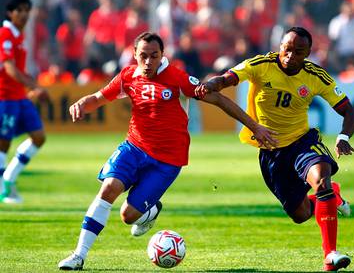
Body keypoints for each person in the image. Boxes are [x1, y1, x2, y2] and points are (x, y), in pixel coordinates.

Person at [58, 32, 276, 270]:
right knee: (108, 188)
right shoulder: (128, 76)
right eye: (143, 56)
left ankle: (149, 212)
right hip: (133, 147)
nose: (149, 62)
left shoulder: (178, 79)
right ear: (134, 55)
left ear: (162, 55)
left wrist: (255, 126)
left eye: (154, 56)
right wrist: (81, 103)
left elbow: (219, 100)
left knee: (128, 215)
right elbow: (98, 98)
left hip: (167, 160)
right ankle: (78, 255)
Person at [196, 27, 354, 271]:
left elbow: (348, 110)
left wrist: (343, 136)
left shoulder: (316, 76)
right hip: (271, 152)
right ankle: (331, 195)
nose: (290, 56)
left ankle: (330, 254)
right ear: (280, 46)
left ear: (308, 54)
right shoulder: (261, 64)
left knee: (321, 178)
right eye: (287, 49)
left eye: (298, 52)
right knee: (300, 215)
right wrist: (213, 84)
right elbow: (228, 78)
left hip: (303, 141)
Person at [0, 0, 48, 204]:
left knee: (38, 137)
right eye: (20, 10)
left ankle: (9, 178)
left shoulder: (19, 36)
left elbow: (18, 70)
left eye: (27, 10)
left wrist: (31, 88)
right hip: (5, 97)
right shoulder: (5, 34)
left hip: (19, 96)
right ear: (10, 13)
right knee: (3, 143)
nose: (24, 14)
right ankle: (4, 190)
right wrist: (34, 85)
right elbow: (9, 69)